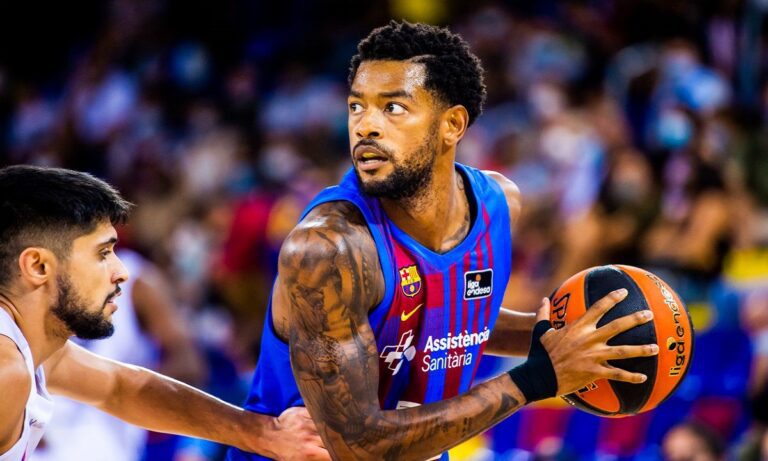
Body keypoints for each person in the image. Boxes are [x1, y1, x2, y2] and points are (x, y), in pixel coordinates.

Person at [227, 21, 659, 461]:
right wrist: (537, 378)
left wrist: (567, 339)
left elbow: (455, 320)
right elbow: (358, 447)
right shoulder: (328, 248)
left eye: (393, 108)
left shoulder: (498, 205)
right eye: (356, 106)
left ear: (452, 124)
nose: (365, 126)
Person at [0, 164, 330, 461]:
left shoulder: (32, 348)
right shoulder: (7, 373)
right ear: (38, 266)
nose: (122, 272)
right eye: (103, 253)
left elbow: (120, 387)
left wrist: (265, 434)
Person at [30, 248, 207, 461]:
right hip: (33, 442)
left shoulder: (137, 281)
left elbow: (190, 365)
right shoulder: (30, 282)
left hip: (103, 446)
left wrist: (120, 384)